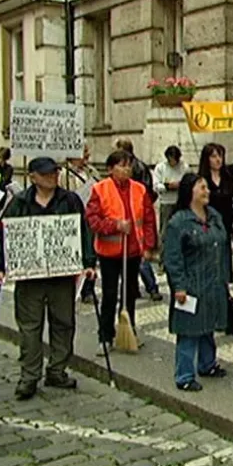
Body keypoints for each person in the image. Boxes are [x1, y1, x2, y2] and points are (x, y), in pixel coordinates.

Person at [0, 158, 97, 400]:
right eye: (47, 173)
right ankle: (29, 377)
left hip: (61, 274)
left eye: (55, 172)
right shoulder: (18, 202)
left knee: (63, 323)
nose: (53, 176)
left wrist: (89, 263)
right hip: (29, 278)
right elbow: (2, 233)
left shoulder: (70, 200)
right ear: (33, 177)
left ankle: (57, 370)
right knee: (30, 328)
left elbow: (83, 231)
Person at [164, 174, 231, 392]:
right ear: (189, 192)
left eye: (207, 187)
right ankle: (184, 375)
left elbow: (224, 247)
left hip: (212, 282)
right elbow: (173, 258)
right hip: (191, 284)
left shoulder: (214, 217)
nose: (207, 191)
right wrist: (179, 286)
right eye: (202, 187)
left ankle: (207, 364)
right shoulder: (178, 222)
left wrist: (225, 278)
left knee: (208, 325)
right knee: (189, 330)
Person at [86, 150, 157, 350]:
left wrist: (149, 246)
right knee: (109, 295)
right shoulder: (100, 189)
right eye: (122, 165)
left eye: (129, 165)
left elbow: (149, 219)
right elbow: (93, 220)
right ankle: (105, 336)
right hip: (109, 252)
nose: (127, 169)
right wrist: (115, 225)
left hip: (133, 250)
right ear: (110, 169)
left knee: (130, 293)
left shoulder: (140, 189)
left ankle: (129, 329)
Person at [114, 138, 161, 300]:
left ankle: (151, 287)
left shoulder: (137, 168)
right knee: (132, 260)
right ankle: (137, 288)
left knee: (139, 259)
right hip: (126, 221)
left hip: (136, 220)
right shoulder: (141, 166)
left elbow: (147, 193)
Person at [62, 145, 103, 304]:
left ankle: (88, 289)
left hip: (91, 217)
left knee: (91, 253)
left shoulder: (91, 171)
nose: (87, 155)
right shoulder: (64, 174)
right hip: (74, 218)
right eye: (84, 152)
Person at [199, 144, 233, 289]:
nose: (218, 160)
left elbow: (232, 205)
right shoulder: (202, 180)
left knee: (223, 267)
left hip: (225, 227)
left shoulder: (229, 179)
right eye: (214, 156)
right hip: (207, 226)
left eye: (220, 156)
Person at [153, 146, 189, 231]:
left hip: (180, 201)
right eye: (171, 159)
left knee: (181, 227)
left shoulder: (184, 167)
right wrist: (167, 186)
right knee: (165, 228)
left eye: (175, 160)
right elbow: (155, 185)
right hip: (166, 202)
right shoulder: (160, 167)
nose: (173, 162)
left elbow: (189, 183)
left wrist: (181, 185)